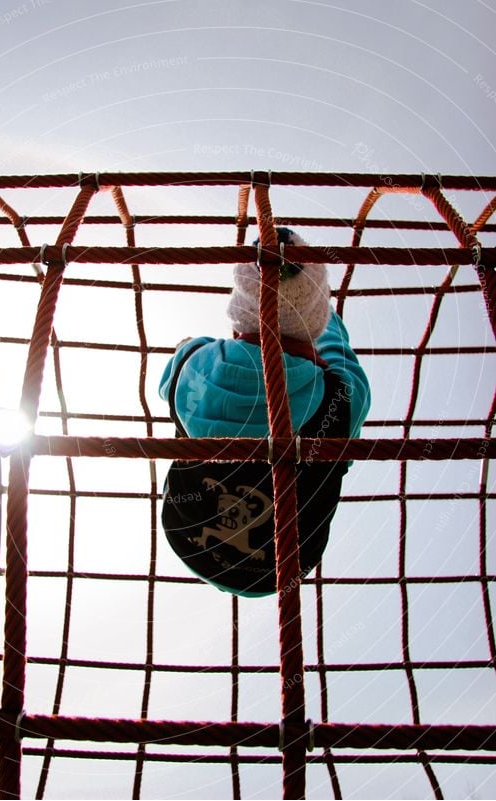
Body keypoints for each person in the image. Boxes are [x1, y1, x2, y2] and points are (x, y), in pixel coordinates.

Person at [159, 227, 371, 597]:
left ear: (236, 317)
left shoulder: (189, 363)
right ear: (316, 331)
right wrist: (312, 300)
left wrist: (196, 346)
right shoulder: (341, 399)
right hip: (283, 564)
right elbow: (336, 349)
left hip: (185, 533)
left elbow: (178, 366)